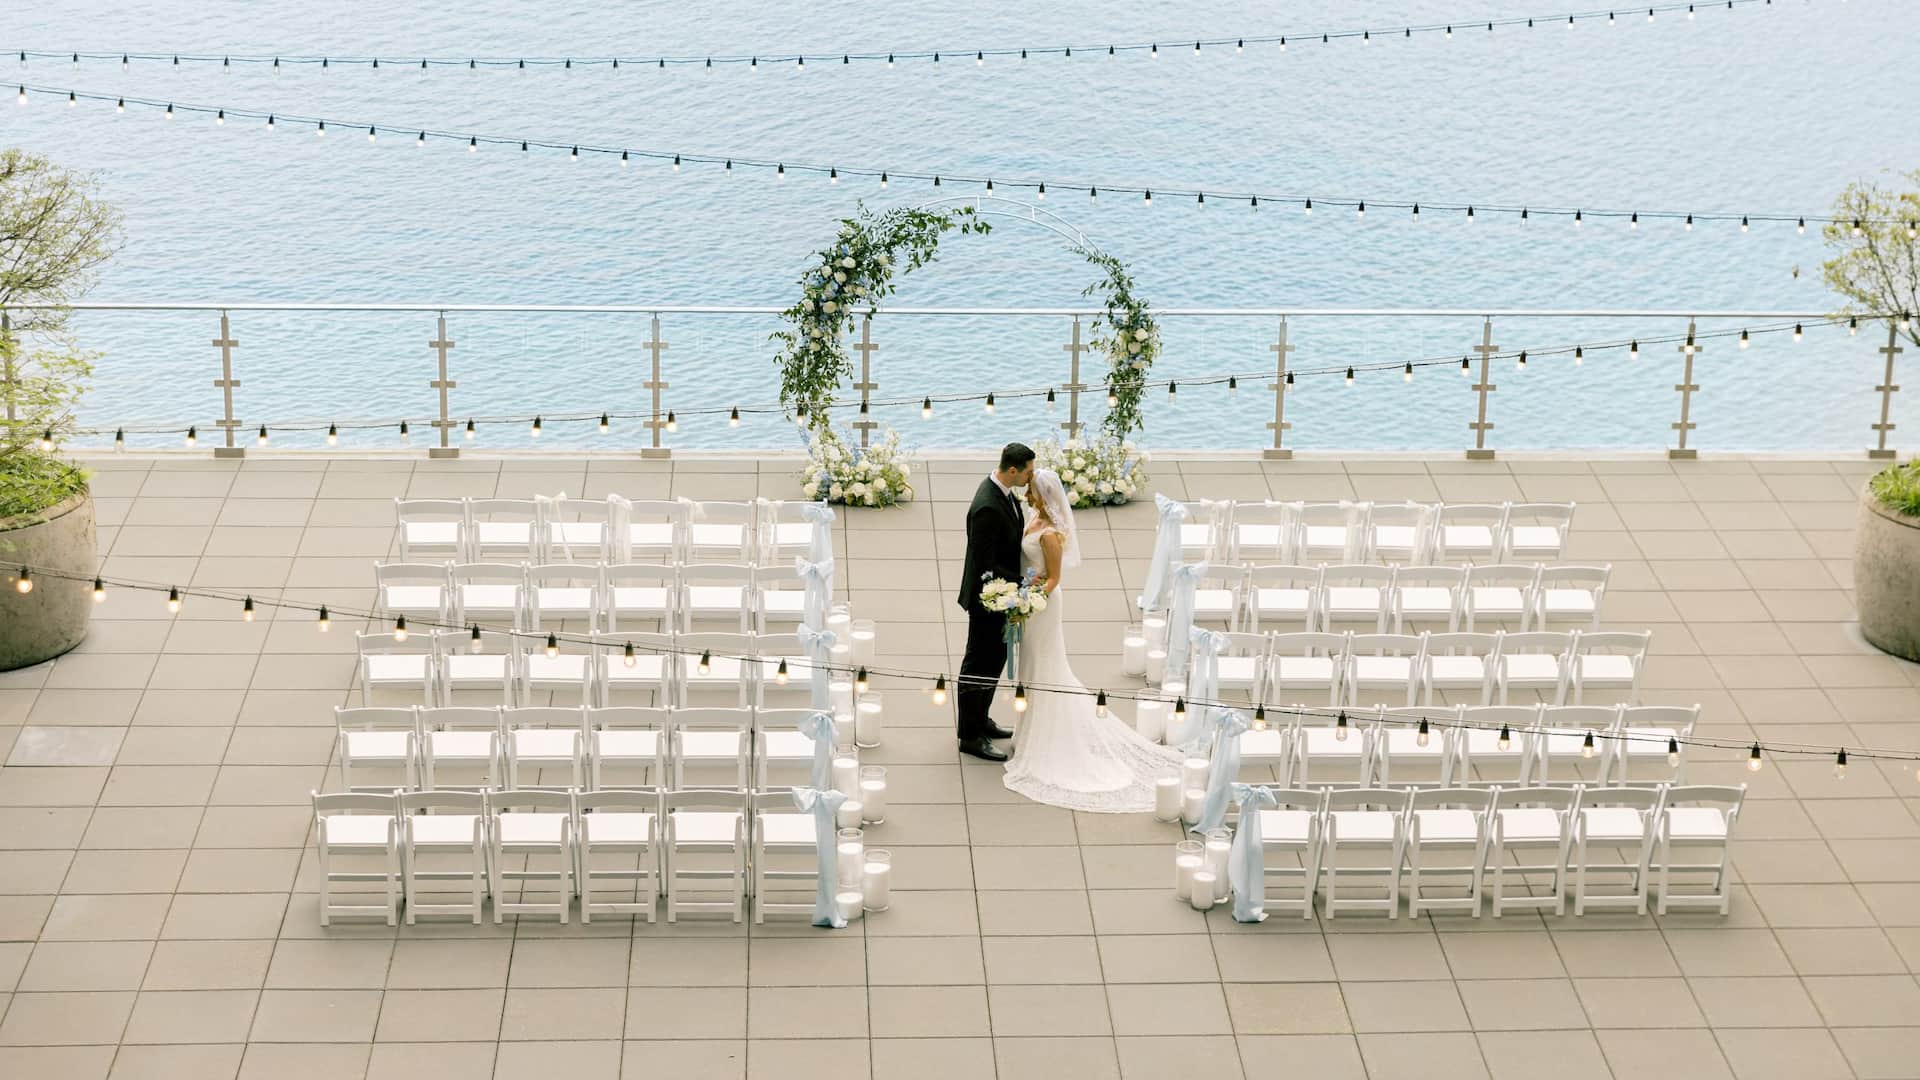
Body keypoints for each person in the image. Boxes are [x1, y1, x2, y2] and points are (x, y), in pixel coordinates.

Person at [1002, 467, 1183, 811]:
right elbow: (1035, 568)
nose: (1026, 495)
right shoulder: (1033, 519)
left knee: (1045, 666)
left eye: (1031, 491)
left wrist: (1030, 601)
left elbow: (1053, 578)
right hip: (1031, 595)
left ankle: (1047, 739)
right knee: (1031, 666)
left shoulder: (1051, 533)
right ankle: (1027, 734)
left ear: (1042, 496)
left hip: (1042, 605)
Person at [954, 443, 1034, 761]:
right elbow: (985, 565)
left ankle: (981, 720)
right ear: (1013, 470)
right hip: (987, 599)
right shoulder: (988, 506)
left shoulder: (1005, 493)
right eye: (1028, 471)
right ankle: (969, 736)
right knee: (978, 665)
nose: (1032, 476)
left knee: (994, 662)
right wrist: (1022, 585)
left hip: (1001, 596)